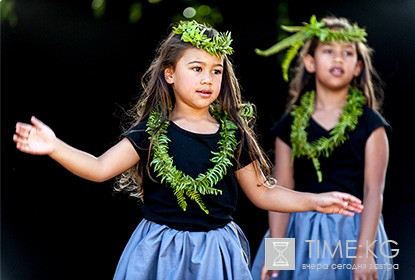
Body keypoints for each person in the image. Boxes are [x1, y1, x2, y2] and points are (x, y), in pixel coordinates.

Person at [13, 20, 364, 280]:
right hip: (159, 249)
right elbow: (100, 167)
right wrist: (55, 146)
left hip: (216, 251)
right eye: (196, 69)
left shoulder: (234, 134)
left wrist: (315, 200)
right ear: (169, 74)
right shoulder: (151, 132)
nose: (208, 80)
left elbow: (263, 192)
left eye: (216, 71)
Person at [250, 15, 395, 280]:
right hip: (300, 231)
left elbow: (374, 191)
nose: (338, 59)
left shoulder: (371, 125)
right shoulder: (290, 125)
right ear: (310, 62)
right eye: (329, 51)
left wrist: (363, 250)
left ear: (358, 67)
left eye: (347, 53)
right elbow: (281, 189)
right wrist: (278, 253)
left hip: (351, 234)